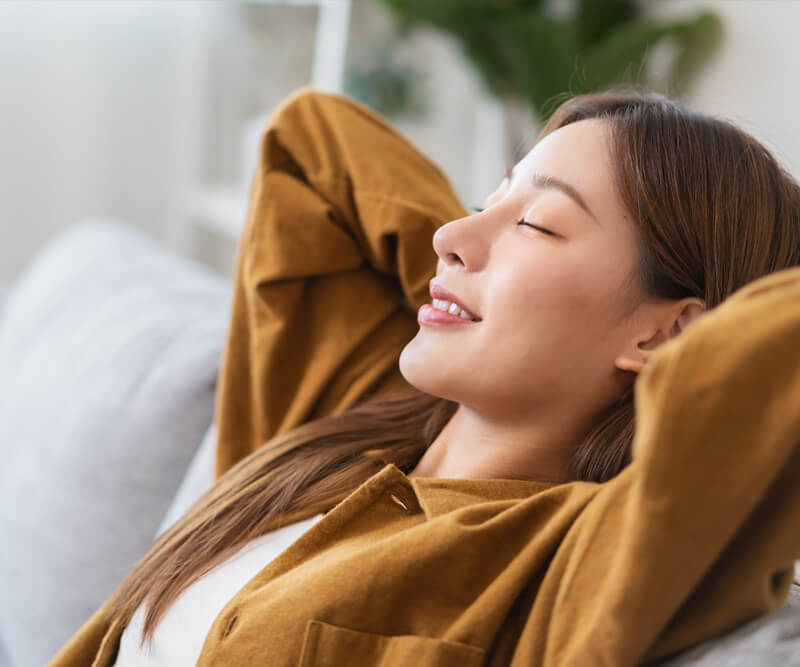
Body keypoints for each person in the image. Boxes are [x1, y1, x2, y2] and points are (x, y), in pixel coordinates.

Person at [49, 86, 800, 666]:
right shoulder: (353, 411)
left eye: (537, 224)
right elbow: (311, 143)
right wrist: (473, 277)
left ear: (670, 329)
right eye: (484, 199)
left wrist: (488, 289)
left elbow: (746, 391)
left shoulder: (575, 558)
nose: (448, 234)